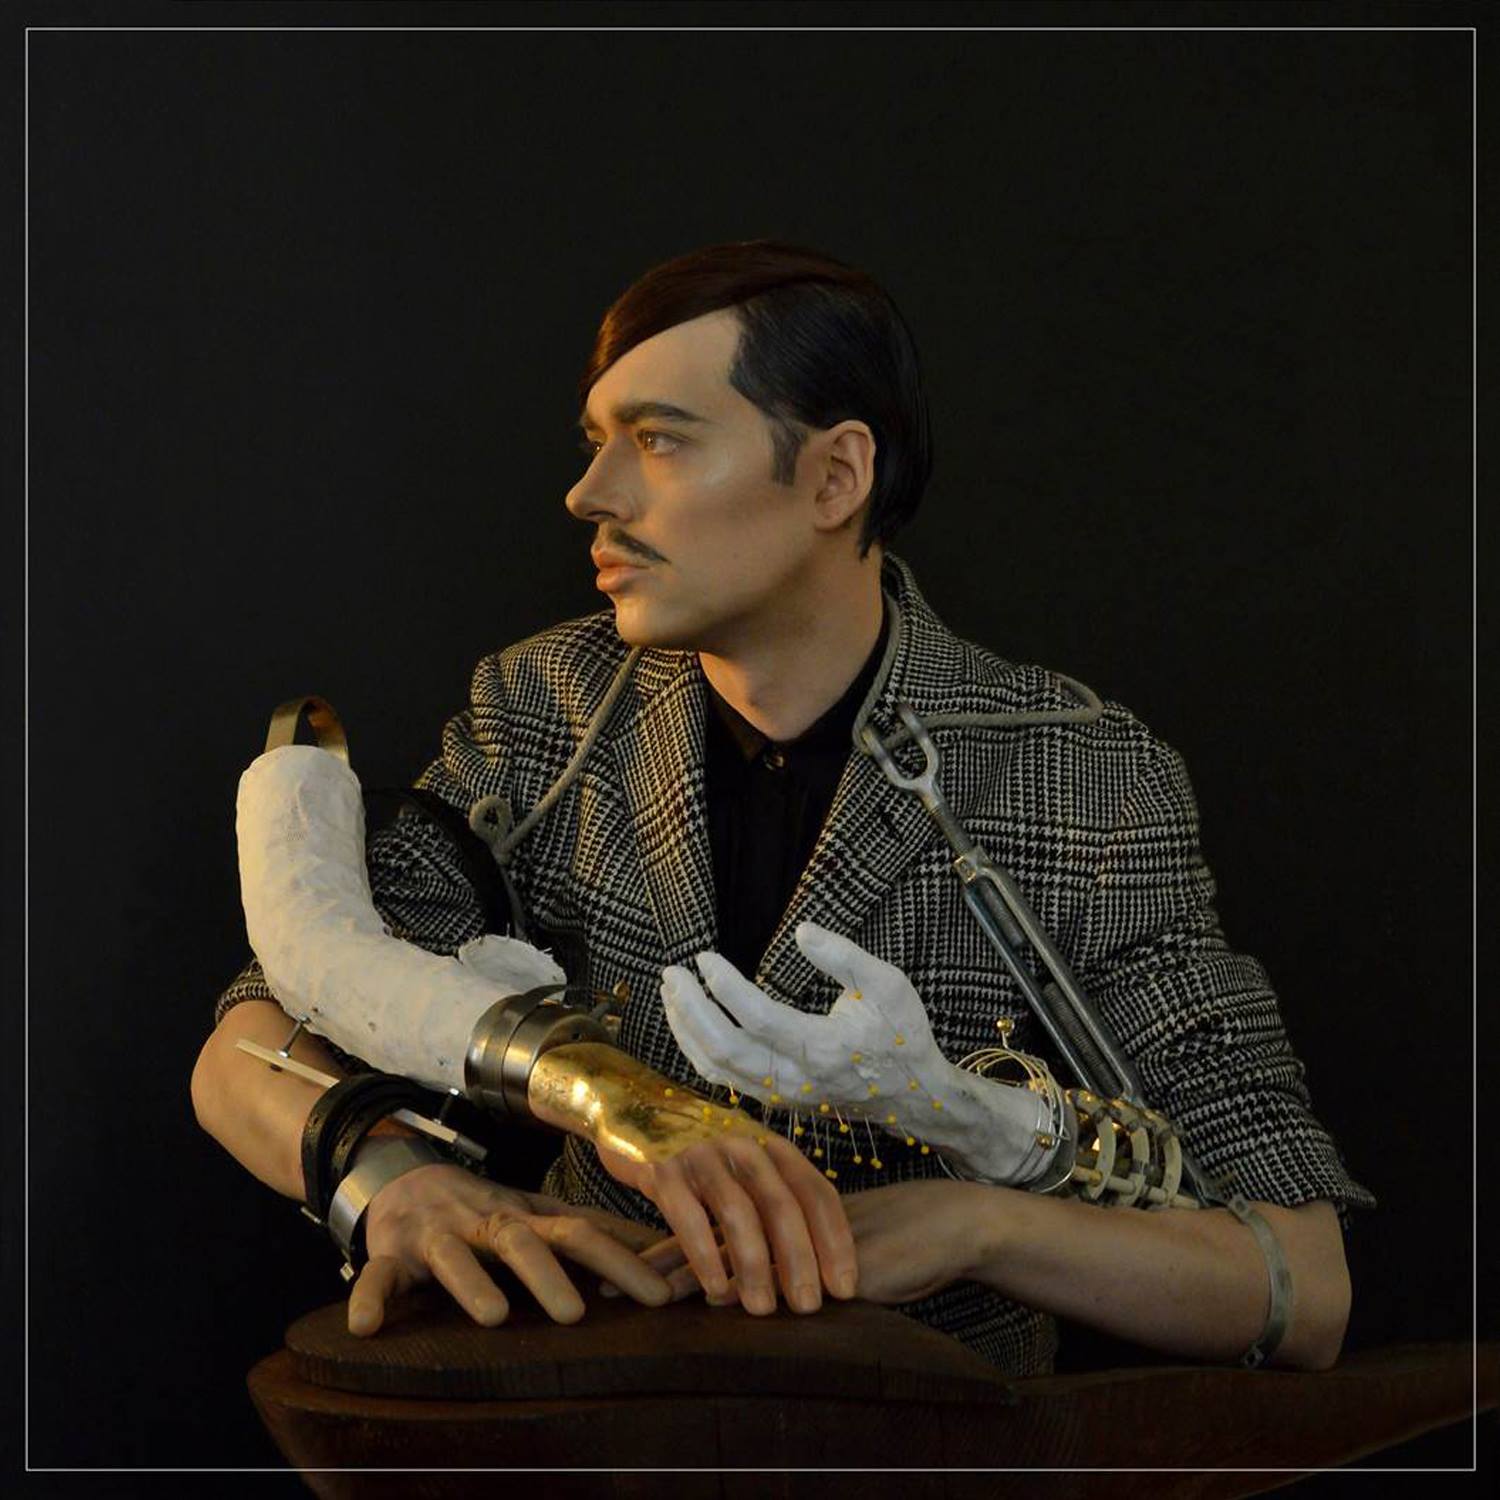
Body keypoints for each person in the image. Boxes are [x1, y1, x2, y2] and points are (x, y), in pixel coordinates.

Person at [192, 239, 1373, 1377]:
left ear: (835, 477)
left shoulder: (1081, 781)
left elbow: (1302, 1288)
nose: (588, 494)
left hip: (931, 1450)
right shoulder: (547, 709)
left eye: (658, 439)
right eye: (597, 442)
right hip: (591, 1426)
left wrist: (978, 1226)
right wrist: (392, 1181)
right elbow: (248, 1044)